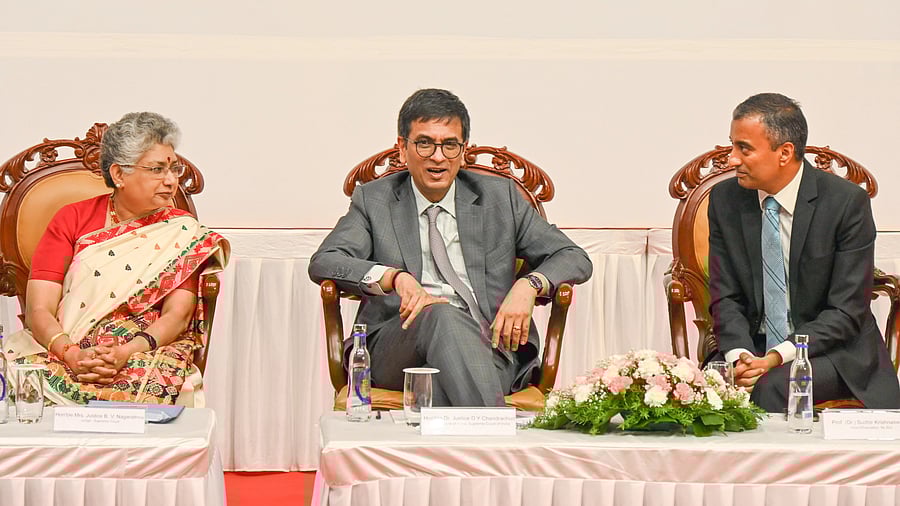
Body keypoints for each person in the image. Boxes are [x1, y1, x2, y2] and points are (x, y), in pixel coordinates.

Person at [309, 88, 592, 407]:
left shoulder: (500, 199)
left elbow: (573, 257)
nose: (438, 156)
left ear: (463, 149)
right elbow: (326, 261)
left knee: (452, 347)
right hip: (397, 352)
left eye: (449, 144)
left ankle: (455, 449)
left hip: (491, 352)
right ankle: (494, 447)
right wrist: (394, 278)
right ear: (403, 148)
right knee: (441, 314)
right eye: (425, 143)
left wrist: (529, 285)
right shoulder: (375, 201)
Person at [6, 112, 230, 405]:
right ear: (118, 174)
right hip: (65, 345)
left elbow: (178, 315)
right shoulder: (72, 218)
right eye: (157, 169)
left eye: (173, 169)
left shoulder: (183, 231)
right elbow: (39, 308)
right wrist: (72, 354)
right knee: (21, 378)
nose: (171, 180)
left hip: (144, 349)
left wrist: (125, 352)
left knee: (147, 390)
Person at [707, 92, 900, 412]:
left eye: (744, 148)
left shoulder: (845, 203)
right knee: (699, 389)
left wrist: (774, 358)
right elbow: (725, 296)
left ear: (784, 153)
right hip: (752, 347)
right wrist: (739, 357)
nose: (732, 159)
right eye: (732, 145)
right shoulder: (725, 200)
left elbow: (846, 312)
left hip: (833, 351)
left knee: (772, 389)